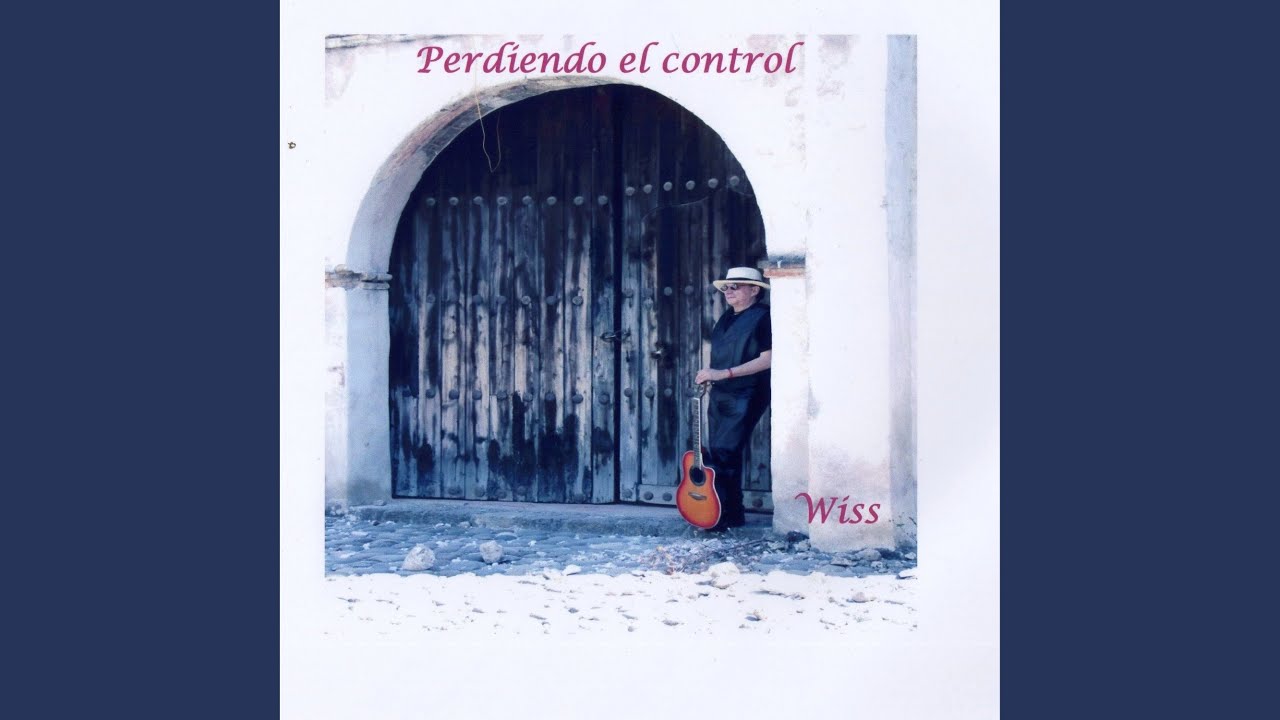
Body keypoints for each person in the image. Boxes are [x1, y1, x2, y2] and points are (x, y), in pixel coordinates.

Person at [693, 266, 772, 530]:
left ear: (754, 290)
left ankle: (722, 516)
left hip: (747, 391)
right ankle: (729, 513)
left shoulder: (763, 317)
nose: (728, 291)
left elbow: (768, 359)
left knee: (726, 451)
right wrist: (710, 374)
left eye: (736, 286)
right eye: (726, 287)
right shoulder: (727, 317)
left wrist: (724, 373)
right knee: (719, 451)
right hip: (721, 391)